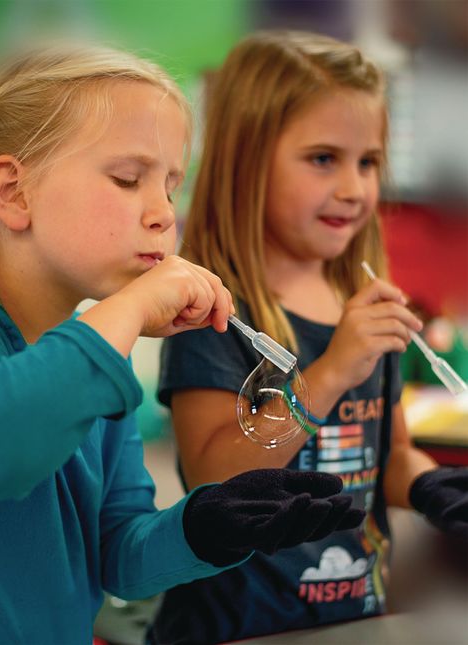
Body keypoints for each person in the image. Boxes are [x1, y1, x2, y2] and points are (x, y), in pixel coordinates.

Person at [0, 44, 366, 644]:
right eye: (128, 179)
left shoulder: (99, 363)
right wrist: (128, 308)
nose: (164, 213)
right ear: (14, 193)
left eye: (171, 185)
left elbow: (119, 556)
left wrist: (207, 529)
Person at [148, 30, 468, 644]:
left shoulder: (362, 303)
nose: (354, 187)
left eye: (368, 161)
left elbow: (390, 454)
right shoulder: (213, 312)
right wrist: (331, 371)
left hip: (352, 619)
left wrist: (431, 486)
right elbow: (216, 480)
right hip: (234, 628)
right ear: (247, 164)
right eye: (324, 158)